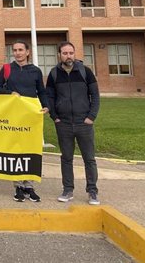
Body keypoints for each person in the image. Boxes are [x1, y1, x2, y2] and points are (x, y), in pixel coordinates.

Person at [46, 41, 101, 205]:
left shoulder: (86, 71)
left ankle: (92, 192)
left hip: (84, 122)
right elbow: (50, 97)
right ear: (59, 55)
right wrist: (55, 117)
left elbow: (95, 96)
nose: (68, 56)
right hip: (63, 123)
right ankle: (68, 190)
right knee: (66, 158)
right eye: (65, 53)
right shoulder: (54, 74)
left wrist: (91, 117)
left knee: (89, 159)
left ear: (74, 54)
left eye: (71, 53)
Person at [0, 40, 49, 203]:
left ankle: (29, 185)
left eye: (20, 50)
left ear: (27, 52)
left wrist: (46, 106)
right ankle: (18, 185)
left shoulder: (35, 71)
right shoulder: (6, 69)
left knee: (31, 148)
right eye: (14, 50)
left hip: (31, 115)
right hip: (14, 115)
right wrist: (9, 92)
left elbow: (41, 91)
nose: (17, 53)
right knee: (16, 149)